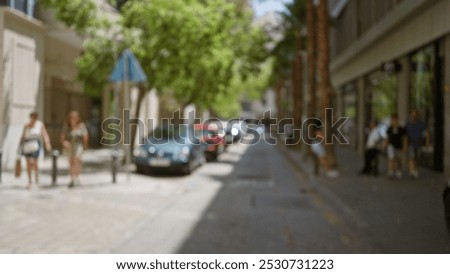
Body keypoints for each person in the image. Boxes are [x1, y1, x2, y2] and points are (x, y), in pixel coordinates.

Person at [19, 112, 52, 189]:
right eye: (32, 117)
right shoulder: (26, 125)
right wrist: (19, 147)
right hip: (27, 145)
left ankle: (36, 177)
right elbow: (22, 136)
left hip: (35, 144)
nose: (34, 119)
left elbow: (45, 134)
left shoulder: (40, 125)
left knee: (35, 162)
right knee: (28, 163)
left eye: (35, 117)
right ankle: (30, 180)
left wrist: (47, 143)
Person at [60, 111, 88, 187]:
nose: (73, 119)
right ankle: (72, 178)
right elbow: (62, 137)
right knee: (71, 162)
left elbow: (85, 136)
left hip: (78, 145)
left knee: (76, 160)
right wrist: (64, 143)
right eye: (71, 117)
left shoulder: (81, 125)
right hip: (70, 146)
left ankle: (77, 177)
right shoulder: (67, 126)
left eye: (74, 117)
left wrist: (85, 146)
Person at [405, 109, 430, 178]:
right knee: (411, 156)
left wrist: (427, 142)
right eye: (412, 113)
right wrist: (405, 144)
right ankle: (411, 171)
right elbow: (405, 135)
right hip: (411, 143)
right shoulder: (408, 124)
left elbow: (427, 132)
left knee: (416, 158)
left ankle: (414, 170)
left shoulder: (421, 123)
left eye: (415, 113)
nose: (414, 115)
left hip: (418, 144)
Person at [386, 114, 407, 179]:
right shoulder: (390, 128)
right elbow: (387, 137)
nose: (394, 121)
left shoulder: (401, 128)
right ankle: (391, 171)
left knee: (398, 158)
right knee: (391, 158)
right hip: (391, 145)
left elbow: (404, 138)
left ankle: (398, 170)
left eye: (395, 120)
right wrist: (386, 144)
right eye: (393, 120)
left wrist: (405, 146)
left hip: (398, 146)